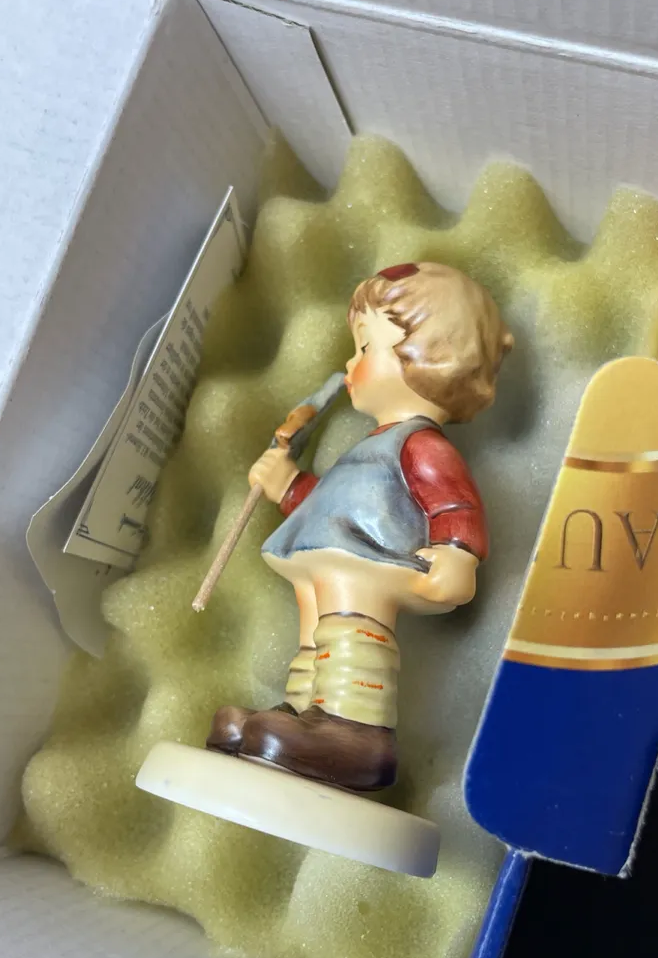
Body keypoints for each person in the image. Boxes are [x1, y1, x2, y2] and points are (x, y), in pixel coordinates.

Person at [207, 262, 513, 790]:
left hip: (372, 562)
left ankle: (355, 727)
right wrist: (288, 485)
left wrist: (457, 554)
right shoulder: (376, 444)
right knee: (315, 614)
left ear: (429, 358)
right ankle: (305, 710)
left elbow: (453, 505)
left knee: (348, 611)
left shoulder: (422, 447)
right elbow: (335, 505)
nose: (351, 363)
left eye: (366, 347)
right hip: (337, 551)